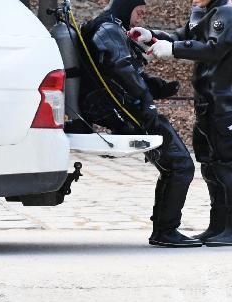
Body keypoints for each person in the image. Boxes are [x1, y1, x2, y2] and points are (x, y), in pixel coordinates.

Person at [78, 0, 199, 248]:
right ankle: (165, 231)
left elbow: (119, 71)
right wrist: (147, 102)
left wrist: (154, 86)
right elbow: (122, 69)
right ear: (126, 6)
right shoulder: (108, 29)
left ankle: (164, 229)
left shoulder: (108, 26)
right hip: (122, 109)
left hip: (116, 106)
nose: (139, 19)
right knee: (180, 165)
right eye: (138, 13)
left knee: (174, 165)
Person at [133, 0, 232, 246]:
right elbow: (183, 35)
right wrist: (152, 36)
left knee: (225, 166)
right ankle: (218, 226)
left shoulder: (228, 14)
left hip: (223, 102)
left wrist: (174, 48)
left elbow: (212, 49)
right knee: (209, 166)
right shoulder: (203, 12)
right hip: (206, 101)